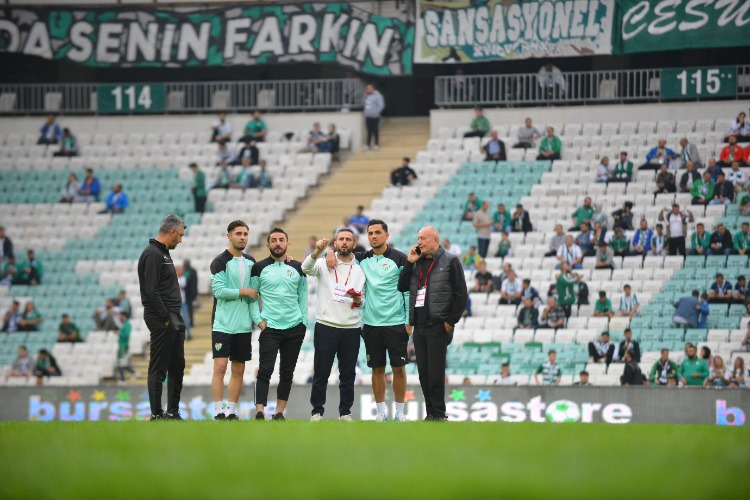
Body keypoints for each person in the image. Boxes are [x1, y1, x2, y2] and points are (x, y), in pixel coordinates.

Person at [325, 220, 410, 422]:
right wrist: (329, 252)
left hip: (396, 322)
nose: (373, 236)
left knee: (399, 369)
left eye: (378, 233)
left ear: (386, 235)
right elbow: (341, 254)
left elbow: (407, 291)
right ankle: (381, 413)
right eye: (370, 233)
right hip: (371, 324)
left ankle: (400, 413)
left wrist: (409, 321)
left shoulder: (400, 259)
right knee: (377, 369)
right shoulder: (361, 259)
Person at [398, 226, 468, 421]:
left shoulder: (450, 260)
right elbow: (401, 286)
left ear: (435, 239)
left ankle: (439, 413)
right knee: (424, 374)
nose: (419, 242)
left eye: (423, 238)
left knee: (436, 373)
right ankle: (431, 413)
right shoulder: (417, 261)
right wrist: (410, 263)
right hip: (419, 327)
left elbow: (461, 294)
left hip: (438, 325)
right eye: (418, 238)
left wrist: (450, 322)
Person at [304, 230, 365, 422]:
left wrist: (358, 300)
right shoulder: (324, 262)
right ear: (335, 243)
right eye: (341, 239)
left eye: (348, 239)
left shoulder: (361, 268)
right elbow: (306, 268)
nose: (345, 242)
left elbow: (363, 301)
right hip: (326, 325)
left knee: (347, 374)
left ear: (354, 243)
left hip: (351, 327)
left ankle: (345, 412)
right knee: (321, 372)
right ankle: (317, 412)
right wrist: (319, 252)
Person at [250, 228, 308, 420]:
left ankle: (279, 413)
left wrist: (303, 321)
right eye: (273, 240)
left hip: (294, 327)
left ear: (287, 244)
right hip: (270, 328)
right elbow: (252, 297)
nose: (277, 243)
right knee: (265, 370)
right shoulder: (259, 268)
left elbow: (303, 296)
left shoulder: (298, 268)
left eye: (281, 240)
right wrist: (258, 321)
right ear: (268, 245)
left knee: (287, 372)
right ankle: (259, 411)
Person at [137, 214, 187, 420]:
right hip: (162, 317)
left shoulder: (163, 253)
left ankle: (173, 411)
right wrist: (166, 317)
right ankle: (156, 413)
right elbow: (151, 290)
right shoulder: (152, 254)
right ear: (172, 231)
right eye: (180, 235)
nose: (181, 240)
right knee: (159, 366)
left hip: (174, 316)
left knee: (177, 365)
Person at [209, 221, 257, 420]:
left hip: (244, 326)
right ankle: (219, 410)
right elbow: (219, 291)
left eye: (245, 234)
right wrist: (243, 291)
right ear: (229, 236)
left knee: (239, 369)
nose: (243, 237)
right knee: (220, 368)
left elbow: (255, 294)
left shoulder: (251, 262)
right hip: (223, 324)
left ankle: (231, 411)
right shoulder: (220, 262)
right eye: (238, 233)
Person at [363, 83, 385, 151]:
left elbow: (381, 105)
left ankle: (376, 144)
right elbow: (364, 104)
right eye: (367, 88)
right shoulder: (368, 96)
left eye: (368, 88)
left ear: (373, 88)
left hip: (374, 116)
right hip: (368, 116)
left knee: (375, 130)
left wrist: (376, 113)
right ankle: (368, 145)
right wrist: (365, 97)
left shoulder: (378, 95)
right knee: (369, 131)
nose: (367, 89)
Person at [117, 312, 135, 384]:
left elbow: (126, 334)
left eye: (120, 316)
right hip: (122, 346)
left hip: (123, 346)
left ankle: (122, 380)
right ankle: (132, 373)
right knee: (121, 363)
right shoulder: (124, 324)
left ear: (123, 316)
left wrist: (119, 333)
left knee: (121, 363)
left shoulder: (127, 324)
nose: (119, 318)